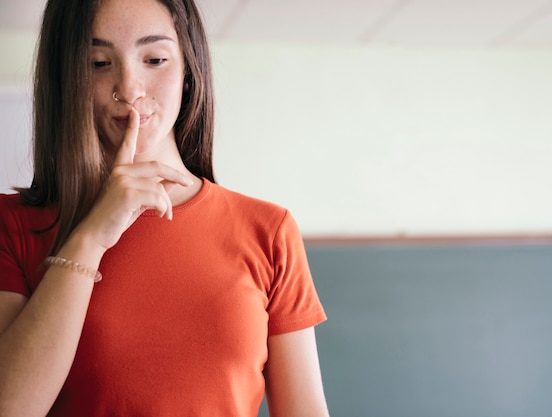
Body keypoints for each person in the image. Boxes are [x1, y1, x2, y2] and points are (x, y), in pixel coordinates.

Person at [0, 0, 329, 416]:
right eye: (99, 63)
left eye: (154, 59)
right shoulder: (13, 225)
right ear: (66, 77)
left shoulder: (268, 230)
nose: (131, 87)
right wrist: (91, 237)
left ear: (189, 69)